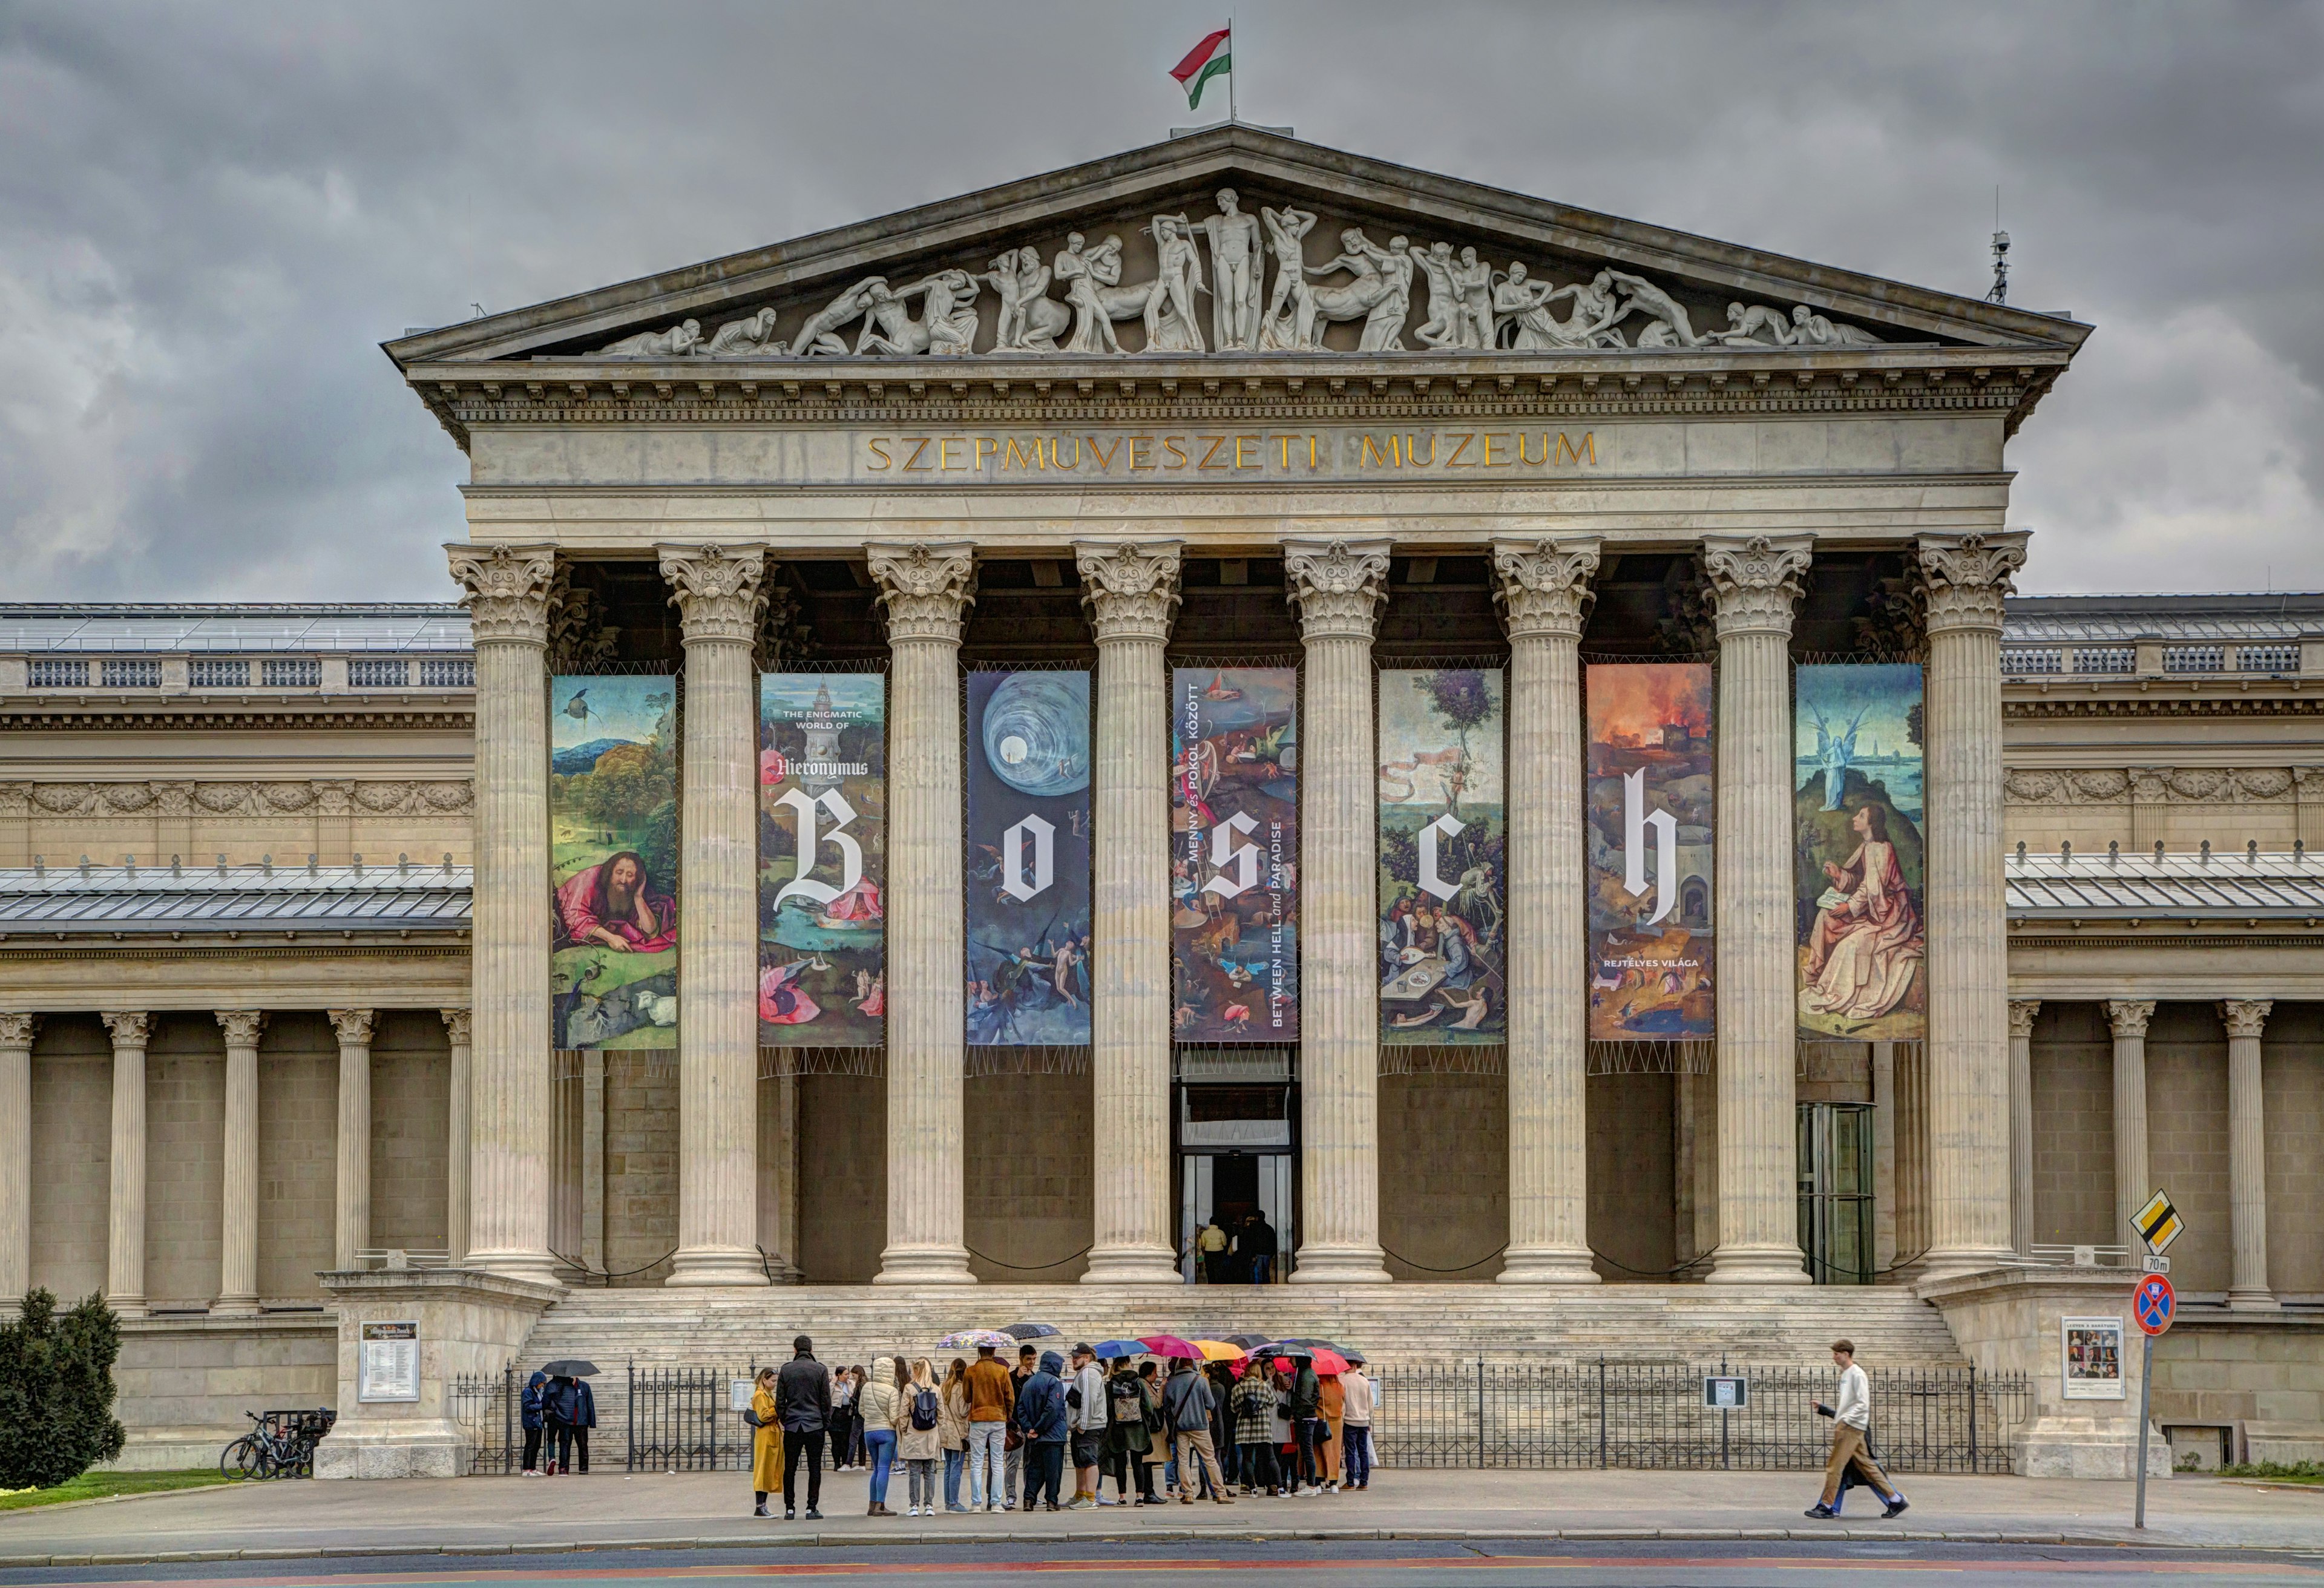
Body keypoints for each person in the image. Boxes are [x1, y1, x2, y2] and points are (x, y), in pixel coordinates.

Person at [1807, 1339, 1907, 1520]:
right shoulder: (1847, 1374)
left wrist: (1845, 1420)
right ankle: (1895, 1499)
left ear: (1846, 1354)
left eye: (1837, 1354)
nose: (1834, 1357)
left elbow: (1862, 1403)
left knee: (1835, 1467)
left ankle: (1827, 1506)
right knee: (1868, 1466)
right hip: (1851, 1425)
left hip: (1851, 1426)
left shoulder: (1857, 1374)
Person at [554, 850, 675, 953]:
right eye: (619, 872)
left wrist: (638, 897)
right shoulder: (590, 879)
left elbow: (650, 931)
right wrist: (610, 938)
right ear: (611, 873)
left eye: (630, 875)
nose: (623, 880)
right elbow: (575, 916)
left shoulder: (633, 890)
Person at [775, 1334, 831, 1521]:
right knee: (815, 1468)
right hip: (815, 1424)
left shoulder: (786, 1370)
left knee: (789, 1468)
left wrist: (785, 1419)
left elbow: (780, 1402)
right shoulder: (820, 1370)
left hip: (793, 1425)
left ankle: (790, 1508)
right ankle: (811, 1507)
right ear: (812, 1350)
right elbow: (826, 1401)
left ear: (795, 1350)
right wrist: (825, 1423)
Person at [1162, 1357, 1233, 1506]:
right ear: (1192, 1364)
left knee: (1183, 1460)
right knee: (1210, 1459)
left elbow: (1167, 1408)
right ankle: (1221, 1494)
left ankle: (1188, 1494)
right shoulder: (1200, 1380)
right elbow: (1211, 1403)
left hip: (1181, 1427)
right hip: (1200, 1425)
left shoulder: (1171, 1383)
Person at [1014, 1348, 1070, 1511]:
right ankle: (1051, 1501)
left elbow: (1021, 1408)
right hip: (1053, 1436)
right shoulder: (1054, 1383)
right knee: (1053, 1471)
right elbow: (1053, 1408)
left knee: (1034, 1469)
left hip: (1035, 1437)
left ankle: (1028, 1500)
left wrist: (1029, 1429)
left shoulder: (1029, 1383)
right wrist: (1039, 1428)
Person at [964, 1342, 1015, 1512]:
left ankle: (976, 1503)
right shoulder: (1002, 1371)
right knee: (998, 1461)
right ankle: (996, 1503)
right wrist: (1007, 1415)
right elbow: (1010, 1398)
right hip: (998, 1418)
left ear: (979, 1351)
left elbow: (966, 1397)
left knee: (977, 1462)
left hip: (978, 1418)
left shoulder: (971, 1371)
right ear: (994, 1351)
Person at [1103, 1354, 1158, 1505]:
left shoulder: (1111, 1384)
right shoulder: (1139, 1382)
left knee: (1120, 1464)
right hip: (1138, 1428)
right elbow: (1148, 1406)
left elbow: (1107, 1408)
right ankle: (1140, 1496)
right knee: (1138, 1463)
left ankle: (1122, 1497)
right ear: (1128, 1363)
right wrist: (1144, 1420)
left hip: (1118, 1428)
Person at [1065, 1343, 1107, 1508]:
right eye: (1073, 1357)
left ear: (1087, 1358)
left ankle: (1090, 1498)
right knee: (1080, 1461)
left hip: (1089, 1425)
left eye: (1078, 1357)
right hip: (1086, 1424)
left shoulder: (1089, 1373)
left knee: (1089, 1460)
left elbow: (1089, 1400)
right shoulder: (1085, 1373)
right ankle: (1081, 1494)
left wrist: (1083, 1424)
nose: (1074, 1360)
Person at [898, 1358, 942, 1517]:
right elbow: (942, 1415)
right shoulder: (936, 1389)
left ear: (916, 1371)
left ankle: (914, 1505)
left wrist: (904, 1429)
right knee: (930, 1471)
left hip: (914, 1433)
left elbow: (903, 1412)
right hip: (931, 1434)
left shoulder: (909, 1388)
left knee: (915, 1471)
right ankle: (929, 1505)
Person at [1231, 1358, 1280, 1496]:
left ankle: (1252, 1489)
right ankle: (1280, 1487)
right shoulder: (1264, 1386)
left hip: (1244, 1429)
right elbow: (1272, 1402)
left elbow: (1233, 1408)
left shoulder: (1238, 1387)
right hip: (1263, 1428)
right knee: (1271, 1457)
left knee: (1247, 1459)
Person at [858, 1356, 900, 1517]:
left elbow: (862, 1410)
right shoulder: (892, 1391)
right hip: (886, 1432)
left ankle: (872, 1504)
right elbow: (894, 1417)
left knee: (876, 1469)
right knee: (884, 1468)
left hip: (869, 1431)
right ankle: (881, 1506)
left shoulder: (867, 1387)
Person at [1003, 1344, 1038, 1509]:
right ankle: (1010, 1496)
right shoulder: (1011, 1376)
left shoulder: (1036, 1377)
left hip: (1031, 1426)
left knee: (1030, 1464)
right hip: (1016, 1427)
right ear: (1021, 1359)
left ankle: (1030, 1496)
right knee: (1013, 1462)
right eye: (1028, 1359)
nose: (1031, 1362)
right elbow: (1010, 1399)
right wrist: (1017, 1378)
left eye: (1034, 1359)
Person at [746, 1366, 783, 1517]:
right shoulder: (760, 1395)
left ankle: (763, 1506)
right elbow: (763, 1416)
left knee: (768, 1470)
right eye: (773, 1381)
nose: (775, 1383)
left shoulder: (768, 1394)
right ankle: (760, 1506)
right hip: (766, 1434)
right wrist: (778, 1408)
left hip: (772, 1433)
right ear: (764, 1380)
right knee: (763, 1470)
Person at [937, 1357, 972, 1514]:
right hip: (958, 1431)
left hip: (945, 1430)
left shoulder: (943, 1386)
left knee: (948, 1468)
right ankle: (953, 1502)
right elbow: (963, 1411)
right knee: (956, 1468)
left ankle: (948, 1502)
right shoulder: (960, 1388)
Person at [1287, 1354, 1325, 1495]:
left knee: (1308, 1452)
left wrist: (1297, 1416)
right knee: (1307, 1451)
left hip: (1306, 1419)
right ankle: (1311, 1484)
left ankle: (1311, 1486)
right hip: (1306, 1417)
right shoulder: (1305, 1373)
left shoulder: (1307, 1375)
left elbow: (1306, 1399)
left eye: (1293, 1358)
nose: (1290, 1360)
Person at [1341, 1354, 1374, 1491]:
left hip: (1350, 1420)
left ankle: (1350, 1481)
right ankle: (1364, 1481)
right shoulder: (1364, 1381)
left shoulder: (1343, 1381)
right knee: (1363, 1452)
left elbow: (1342, 1404)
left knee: (1350, 1452)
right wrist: (1370, 1421)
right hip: (1364, 1421)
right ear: (1355, 1366)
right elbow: (1370, 1404)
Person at [1318, 1368, 1345, 1492]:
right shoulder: (1340, 1386)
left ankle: (1318, 1481)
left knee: (1318, 1452)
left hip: (1321, 1421)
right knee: (1334, 1453)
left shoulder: (1320, 1386)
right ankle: (1333, 1483)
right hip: (1337, 1423)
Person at [519, 1370, 547, 1477]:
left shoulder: (538, 1392)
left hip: (538, 1422)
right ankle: (526, 1469)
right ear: (537, 1382)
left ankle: (533, 1468)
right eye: (542, 1383)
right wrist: (541, 1406)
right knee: (530, 1446)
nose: (542, 1385)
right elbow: (527, 1406)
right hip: (531, 1423)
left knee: (536, 1446)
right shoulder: (528, 1392)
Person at [1244, 1210, 1279, 1284]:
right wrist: (1272, 1253)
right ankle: (1267, 1286)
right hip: (1267, 1254)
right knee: (1266, 1272)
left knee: (1258, 1272)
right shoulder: (1269, 1229)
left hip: (1258, 1253)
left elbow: (1252, 1242)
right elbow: (1274, 1242)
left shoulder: (1254, 1228)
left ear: (1257, 1218)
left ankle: (1258, 1288)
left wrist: (1252, 1255)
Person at [1196, 1215, 1230, 1285]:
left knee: (1210, 1268)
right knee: (1218, 1269)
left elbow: (1203, 1244)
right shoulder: (1221, 1232)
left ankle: (1211, 1283)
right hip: (1219, 1252)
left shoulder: (1205, 1233)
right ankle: (1218, 1283)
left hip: (1209, 1252)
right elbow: (1224, 1243)